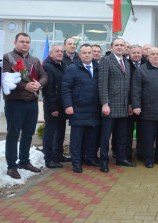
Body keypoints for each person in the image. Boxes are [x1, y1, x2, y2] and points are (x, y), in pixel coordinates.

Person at [3, 33, 48, 179]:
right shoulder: (7, 58)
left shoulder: (34, 59)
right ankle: (12, 166)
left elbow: (44, 75)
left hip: (32, 102)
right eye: (22, 42)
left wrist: (38, 84)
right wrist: (25, 86)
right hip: (15, 102)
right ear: (15, 42)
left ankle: (24, 161)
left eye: (28, 42)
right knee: (13, 134)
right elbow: (5, 78)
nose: (25, 44)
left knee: (28, 133)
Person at [132, 48, 158, 168]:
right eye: (153, 54)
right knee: (148, 138)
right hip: (148, 110)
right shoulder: (141, 71)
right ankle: (148, 159)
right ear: (148, 57)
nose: (155, 56)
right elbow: (136, 90)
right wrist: (136, 106)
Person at [98, 38, 136, 173]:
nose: (119, 47)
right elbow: (102, 84)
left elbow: (129, 86)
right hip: (110, 106)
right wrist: (105, 104)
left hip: (124, 106)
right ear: (111, 47)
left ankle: (121, 158)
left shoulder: (126, 62)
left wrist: (130, 104)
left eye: (122, 45)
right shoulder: (106, 61)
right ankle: (103, 161)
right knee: (105, 136)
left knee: (122, 136)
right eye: (117, 45)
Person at [61, 44, 101, 173]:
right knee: (77, 139)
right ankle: (76, 162)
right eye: (84, 53)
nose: (88, 55)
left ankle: (90, 159)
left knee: (92, 137)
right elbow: (66, 88)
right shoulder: (72, 69)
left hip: (94, 109)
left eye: (89, 52)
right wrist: (68, 105)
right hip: (78, 109)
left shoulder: (98, 68)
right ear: (79, 54)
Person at [42, 44, 69, 169]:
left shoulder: (62, 65)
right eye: (56, 51)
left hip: (61, 104)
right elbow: (48, 89)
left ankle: (58, 155)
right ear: (50, 53)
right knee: (51, 132)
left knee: (60, 132)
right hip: (52, 106)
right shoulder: (48, 66)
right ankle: (49, 158)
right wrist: (53, 108)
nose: (59, 53)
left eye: (61, 51)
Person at [126, 44, 144, 161]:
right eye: (134, 53)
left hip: (144, 105)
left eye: (138, 53)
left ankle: (141, 153)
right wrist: (130, 104)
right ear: (129, 54)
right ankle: (127, 155)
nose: (136, 55)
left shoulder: (147, 64)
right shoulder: (125, 65)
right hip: (129, 105)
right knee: (127, 132)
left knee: (143, 132)